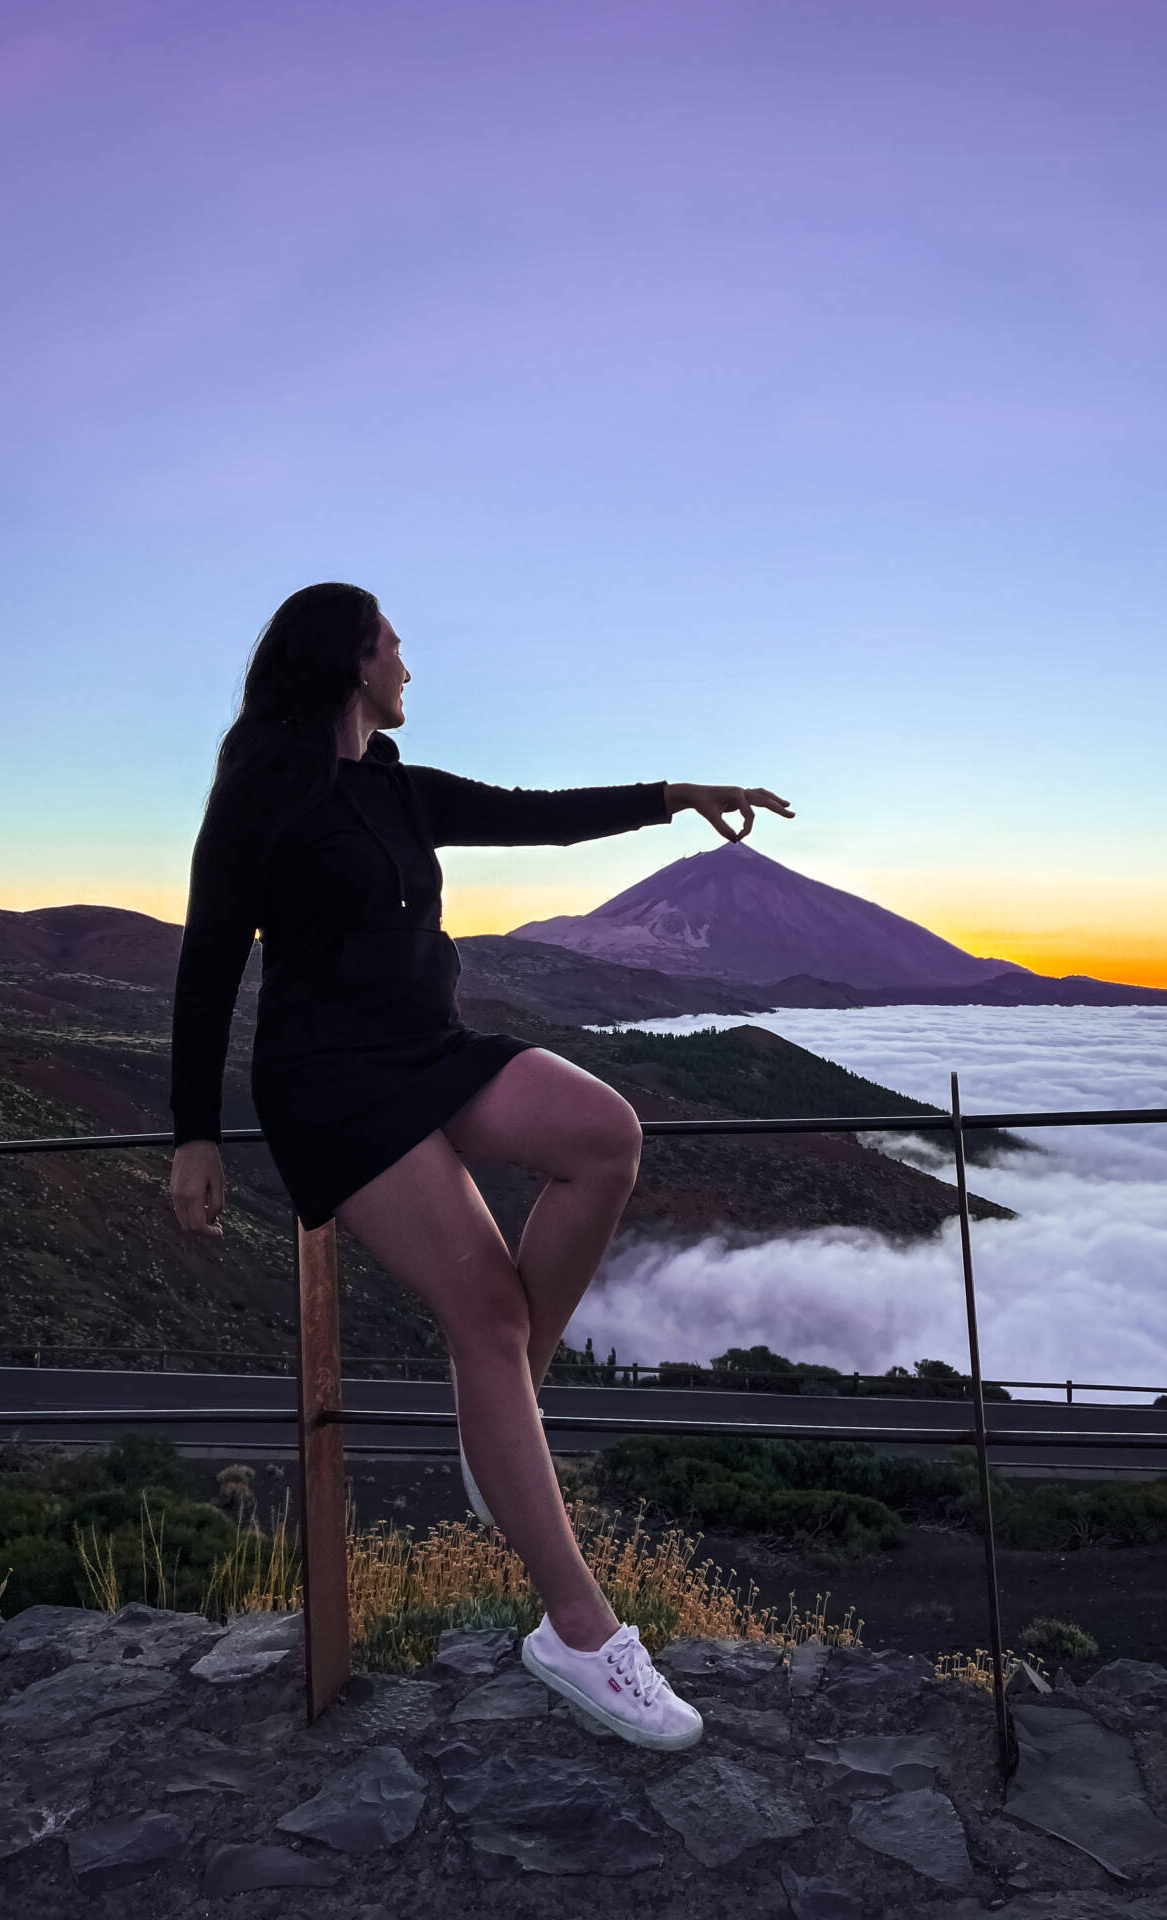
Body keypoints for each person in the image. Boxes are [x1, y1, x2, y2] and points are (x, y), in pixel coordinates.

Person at [168, 581, 793, 1750]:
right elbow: (206, 963)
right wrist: (191, 1135)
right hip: (332, 1087)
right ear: (354, 661)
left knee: (605, 1136)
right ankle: (579, 1629)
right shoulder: (263, 791)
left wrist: (675, 796)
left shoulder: (396, 788)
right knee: (485, 1316)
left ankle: (495, 1421)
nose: (410, 668)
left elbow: (537, 815)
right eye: (396, 649)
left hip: (430, 1051)